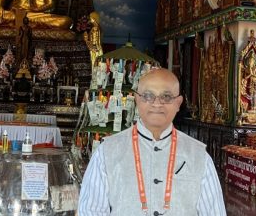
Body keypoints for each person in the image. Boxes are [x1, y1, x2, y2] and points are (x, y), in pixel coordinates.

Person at [78, 68, 226, 215]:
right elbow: (91, 211)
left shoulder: (199, 156)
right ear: (137, 99)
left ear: (178, 103)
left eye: (166, 97)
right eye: (148, 96)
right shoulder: (107, 152)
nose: (157, 103)